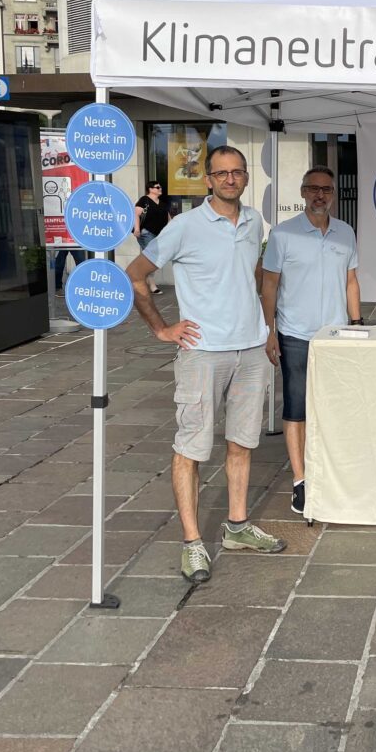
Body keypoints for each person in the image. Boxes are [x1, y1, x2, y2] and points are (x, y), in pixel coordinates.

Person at [126, 145, 286, 583]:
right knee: (192, 447)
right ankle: (193, 543)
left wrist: (266, 327)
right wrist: (162, 328)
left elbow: (250, 275)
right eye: (222, 173)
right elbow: (136, 274)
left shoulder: (254, 221)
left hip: (250, 350)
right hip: (203, 352)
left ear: (246, 177)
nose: (230, 179)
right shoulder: (183, 227)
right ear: (208, 180)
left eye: (238, 172)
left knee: (241, 442)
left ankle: (236, 527)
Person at [261, 166, 361, 515]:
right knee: (296, 406)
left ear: (333, 194)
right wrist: (269, 331)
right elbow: (269, 285)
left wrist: (357, 323)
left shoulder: (345, 233)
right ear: (303, 193)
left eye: (327, 190)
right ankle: (301, 480)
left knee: (333, 405)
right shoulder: (283, 234)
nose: (320, 195)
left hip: (335, 335)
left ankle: (329, 471)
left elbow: (351, 281)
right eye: (313, 189)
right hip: (296, 335)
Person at [133, 181, 169, 295]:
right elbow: (136, 214)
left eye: (160, 187)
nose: (160, 189)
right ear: (150, 189)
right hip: (146, 233)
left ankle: (139, 279)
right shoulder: (144, 200)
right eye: (157, 187)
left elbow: (169, 219)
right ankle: (151, 285)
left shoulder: (162, 203)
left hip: (159, 235)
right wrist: (137, 229)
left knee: (153, 258)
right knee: (151, 258)